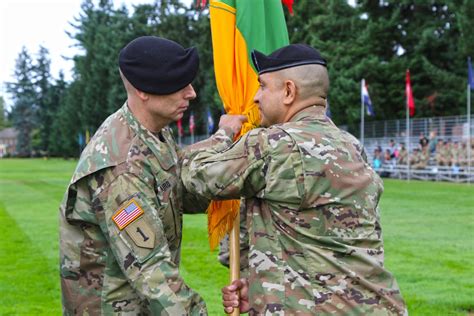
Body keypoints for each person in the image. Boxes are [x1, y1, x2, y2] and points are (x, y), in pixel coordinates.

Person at [181, 44, 407, 315]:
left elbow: (195, 175)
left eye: (263, 86)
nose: (254, 97)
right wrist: (259, 288)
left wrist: (224, 133)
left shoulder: (276, 144)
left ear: (289, 92)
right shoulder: (350, 145)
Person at [58, 36, 232, 315]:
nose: (191, 93)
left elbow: (180, 189)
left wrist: (226, 143)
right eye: (179, 85)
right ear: (144, 91)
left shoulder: (154, 132)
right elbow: (152, 271)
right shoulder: (120, 168)